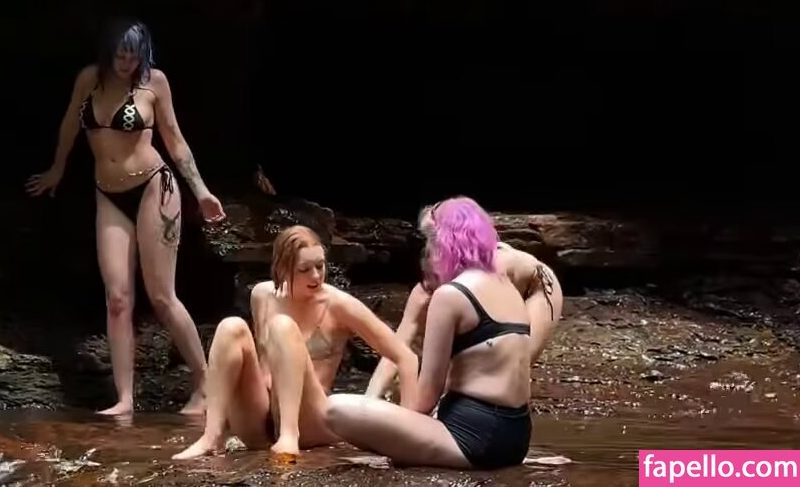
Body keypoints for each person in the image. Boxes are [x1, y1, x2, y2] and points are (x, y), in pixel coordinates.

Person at [26, 18, 225, 416]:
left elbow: (176, 141)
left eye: (133, 56)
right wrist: (57, 168)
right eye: (120, 55)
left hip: (154, 186)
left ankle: (205, 383)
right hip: (107, 192)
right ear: (108, 51)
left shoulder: (155, 83)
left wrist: (201, 191)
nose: (126, 62)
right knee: (117, 298)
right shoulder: (89, 79)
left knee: (162, 296)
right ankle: (124, 399)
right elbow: (70, 124)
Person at [172, 225, 420, 461]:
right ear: (282, 269)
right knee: (230, 327)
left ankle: (289, 435)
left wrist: (411, 432)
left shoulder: (339, 305)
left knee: (282, 326)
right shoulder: (262, 295)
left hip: (311, 421)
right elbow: (261, 363)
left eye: (320, 266)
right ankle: (211, 437)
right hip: (262, 415)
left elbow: (405, 357)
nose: (316, 276)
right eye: (305, 269)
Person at [326, 196, 533, 469]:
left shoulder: (451, 295)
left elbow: (425, 399)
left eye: (430, 242)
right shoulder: (506, 287)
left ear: (444, 242)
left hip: (474, 440)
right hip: (517, 437)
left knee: (336, 409)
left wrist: (398, 421)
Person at [364, 228, 563, 401]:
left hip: (536, 287)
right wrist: (369, 400)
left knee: (514, 366)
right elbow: (397, 348)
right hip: (479, 291)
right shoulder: (424, 291)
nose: (432, 286)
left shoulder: (486, 277)